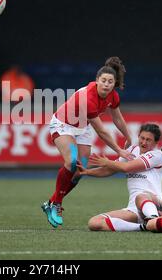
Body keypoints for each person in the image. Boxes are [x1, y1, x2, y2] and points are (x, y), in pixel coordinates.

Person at [41, 56, 134, 228]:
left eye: (110, 81)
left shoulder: (113, 96)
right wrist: (119, 151)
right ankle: (56, 204)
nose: (106, 84)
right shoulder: (88, 98)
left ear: (114, 84)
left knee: (80, 171)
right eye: (103, 80)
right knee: (72, 161)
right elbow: (101, 131)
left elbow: (118, 119)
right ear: (97, 80)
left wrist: (128, 136)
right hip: (63, 124)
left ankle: (51, 202)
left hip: (81, 128)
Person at [76, 123, 162, 232]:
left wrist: (107, 162)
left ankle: (154, 218)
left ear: (156, 142)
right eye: (142, 138)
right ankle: (143, 226)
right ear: (138, 136)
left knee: (141, 196)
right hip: (134, 209)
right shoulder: (132, 150)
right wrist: (87, 172)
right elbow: (110, 169)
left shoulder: (157, 155)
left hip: (153, 203)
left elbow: (126, 168)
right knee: (94, 223)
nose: (144, 142)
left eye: (148, 140)